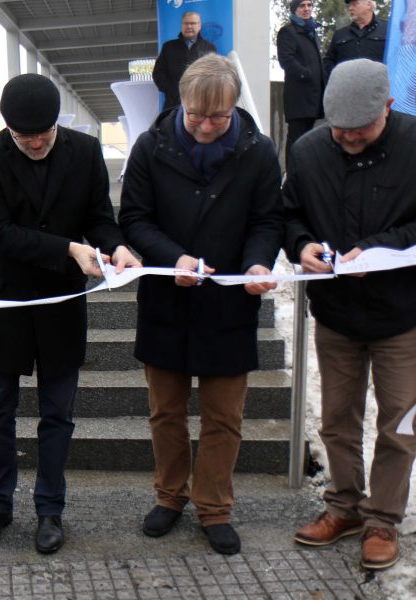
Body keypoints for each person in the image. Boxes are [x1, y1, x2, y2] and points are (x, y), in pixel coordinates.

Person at [0, 73, 140, 554]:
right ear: (8, 129)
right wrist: (67, 248)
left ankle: (50, 510)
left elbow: (99, 216)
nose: (36, 143)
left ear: (56, 122)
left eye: (43, 133)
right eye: (24, 137)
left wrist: (117, 247)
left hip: (62, 304)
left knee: (57, 414)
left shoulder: (84, 151)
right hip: (1, 301)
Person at [119, 54, 284, 556]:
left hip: (230, 302)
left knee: (223, 416)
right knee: (165, 412)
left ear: (234, 107)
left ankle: (214, 506)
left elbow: (267, 221)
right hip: (167, 299)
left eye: (218, 117)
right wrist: (173, 259)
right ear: (181, 103)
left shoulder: (258, 152)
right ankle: (170, 497)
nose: (207, 126)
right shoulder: (150, 146)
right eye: (196, 115)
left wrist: (258, 263)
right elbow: (134, 218)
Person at [284, 59, 416, 571]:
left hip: (400, 315)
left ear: (388, 108)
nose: (348, 139)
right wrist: (302, 245)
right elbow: (289, 212)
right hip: (336, 314)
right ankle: (343, 506)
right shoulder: (308, 150)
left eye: (360, 130)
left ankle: (382, 518)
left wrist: (380, 248)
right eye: (339, 129)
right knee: (338, 419)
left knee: (400, 422)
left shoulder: (412, 146)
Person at [277, 0, 326, 167]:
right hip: (299, 97)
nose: (307, 9)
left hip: (313, 96)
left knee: (307, 141)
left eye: (310, 5)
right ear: (294, 9)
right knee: (296, 139)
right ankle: (292, 177)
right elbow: (286, 61)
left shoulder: (310, 31)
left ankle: (303, 175)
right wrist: (308, 74)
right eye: (302, 5)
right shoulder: (288, 31)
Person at [153, 11, 218, 111]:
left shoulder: (209, 48)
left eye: (193, 23)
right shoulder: (168, 47)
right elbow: (158, 73)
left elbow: (215, 75)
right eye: (186, 23)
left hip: (201, 104)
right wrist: (173, 92)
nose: (189, 26)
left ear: (199, 26)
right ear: (181, 25)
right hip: (173, 104)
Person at [323, 0, 387, 77]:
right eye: (350, 5)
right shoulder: (340, 34)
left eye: (355, 4)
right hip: (346, 86)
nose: (350, 8)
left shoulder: (388, 29)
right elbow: (328, 61)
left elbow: (398, 58)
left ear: (369, 5)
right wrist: (339, 76)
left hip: (379, 86)